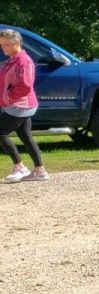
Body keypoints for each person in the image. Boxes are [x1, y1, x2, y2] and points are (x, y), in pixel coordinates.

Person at [0, 28, 48, 182]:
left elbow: (25, 86)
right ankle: (40, 171)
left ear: (16, 43)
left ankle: (19, 167)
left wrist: (7, 97)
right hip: (21, 105)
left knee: (1, 133)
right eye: (2, 45)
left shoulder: (22, 61)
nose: (3, 48)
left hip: (20, 105)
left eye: (6, 44)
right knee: (26, 136)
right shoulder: (13, 59)